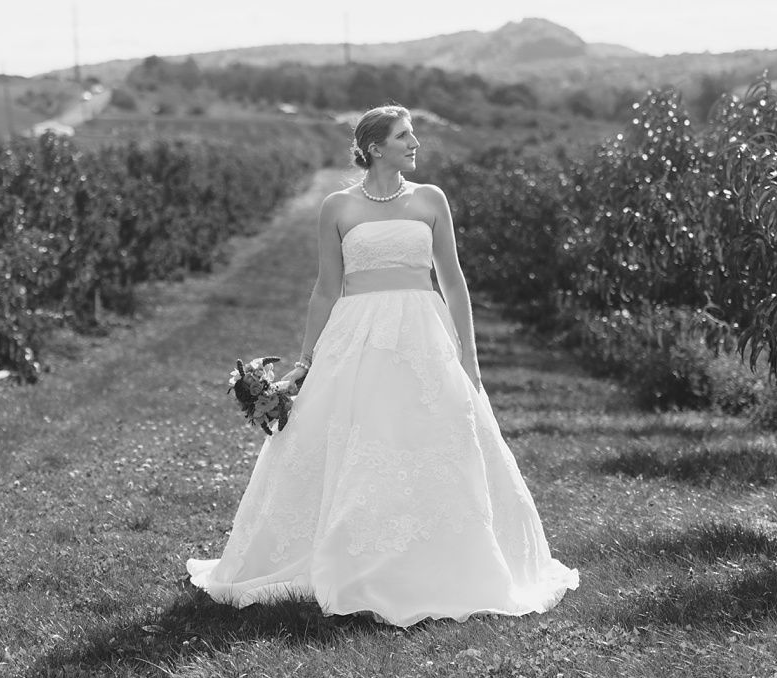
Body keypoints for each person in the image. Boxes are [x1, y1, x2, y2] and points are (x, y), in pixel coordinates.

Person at [187, 105, 578, 626]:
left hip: (423, 333)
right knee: (356, 438)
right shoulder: (338, 207)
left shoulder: (431, 200)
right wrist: (305, 361)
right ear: (374, 148)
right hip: (358, 334)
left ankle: (445, 559)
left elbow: (454, 282)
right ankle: (346, 553)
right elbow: (326, 287)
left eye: (413, 133)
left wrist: (470, 356)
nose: (415, 142)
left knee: (438, 433)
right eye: (404, 135)